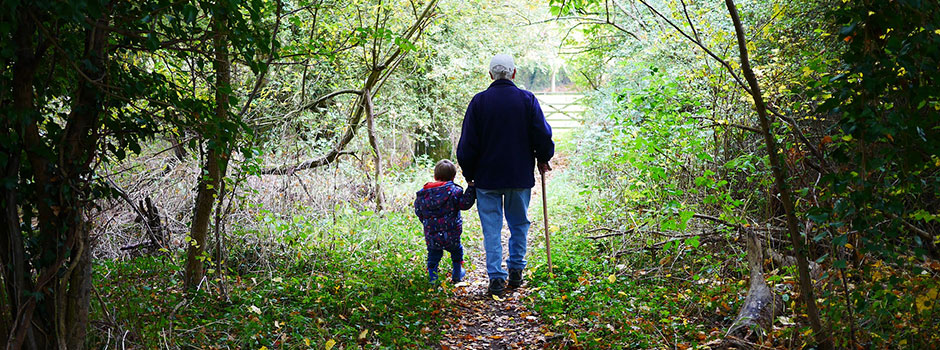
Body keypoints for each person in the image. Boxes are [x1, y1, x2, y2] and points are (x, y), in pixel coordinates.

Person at [456, 54, 554, 296]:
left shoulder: (479, 102)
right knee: (519, 223)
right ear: (514, 73)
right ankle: (516, 271)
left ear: (491, 75)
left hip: (486, 178)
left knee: (492, 228)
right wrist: (544, 157)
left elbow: (467, 143)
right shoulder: (527, 99)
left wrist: (469, 174)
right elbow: (542, 134)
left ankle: (496, 278)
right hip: (519, 176)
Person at [414, 159, 476, 283]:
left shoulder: (424, 194)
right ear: (453, 177)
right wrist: (471, 188)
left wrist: (427, 223)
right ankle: (457, 273)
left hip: (432, 234)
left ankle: (433, 278)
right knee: (456, 251)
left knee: (433, 255)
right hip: (451, 233)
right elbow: (465, 204)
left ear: (435, 176)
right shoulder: (454, 192)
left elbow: (418, 211)